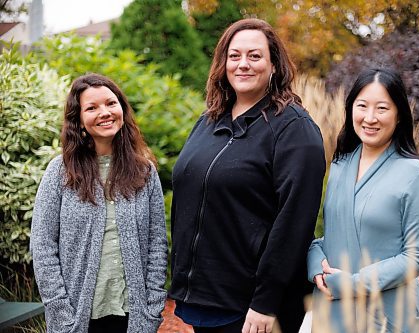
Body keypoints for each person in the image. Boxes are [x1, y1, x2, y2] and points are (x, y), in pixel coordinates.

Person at [169, 18, 326, 333]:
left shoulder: (293, 128)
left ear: (274, 66)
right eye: (234, 55)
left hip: (253, 307)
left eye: (254, 56)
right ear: (222, 64)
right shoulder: (209, 121)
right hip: (204, 296)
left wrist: (266, 301)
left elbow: (295, 221)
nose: (243, 64)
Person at [30, 73, 168, 333]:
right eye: (92, 108)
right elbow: (42, 246)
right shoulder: (59, 172)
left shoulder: (145, 172)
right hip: (77, 317)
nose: (104, 112)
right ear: (79, 121)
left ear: (122, 110)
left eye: (110, 103)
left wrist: (151, 308)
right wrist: (61, 313)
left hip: (133, 315)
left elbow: (157, 244)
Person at [307, 68, 419, 332]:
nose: (370, 118)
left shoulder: (415, 173)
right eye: (362, 106)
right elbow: (330, 235)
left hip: (389, 312)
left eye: (382, 108)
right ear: (350, 109)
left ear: (399, 114)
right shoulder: (341, 164)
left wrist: (354, 284)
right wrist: (315, 263)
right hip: (334, 308)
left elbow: (417, 256)